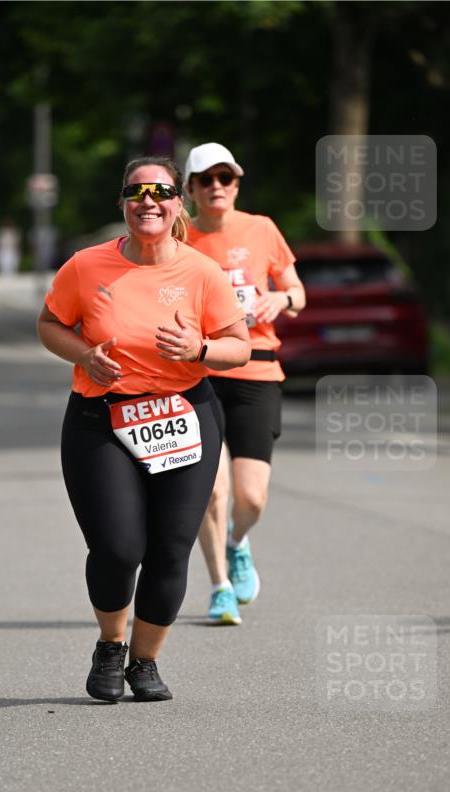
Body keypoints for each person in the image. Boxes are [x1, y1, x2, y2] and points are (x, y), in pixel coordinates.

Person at [37, 156, 250, 703]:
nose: (148, 201)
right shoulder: (85, 266)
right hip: (101, 419)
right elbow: (50, 324)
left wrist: (199, 349)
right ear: (123, 203)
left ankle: (145, 661)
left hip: (183, 416)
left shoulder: (201, 272)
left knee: (170, 550)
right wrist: (85, 354)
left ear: (179, 202)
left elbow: (239, 346)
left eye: (160, 191)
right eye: (136, 192)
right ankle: (111, 644)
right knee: (116, 548)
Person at [184, 142, 306, 625]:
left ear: (236, 184)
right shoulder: (179, 239)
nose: (217, 187)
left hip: (257, 371)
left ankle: (237, 544)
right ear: (190, 189)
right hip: (199, 375)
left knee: (251, 497)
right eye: (206, 179)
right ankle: (220, 588)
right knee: (210, 492)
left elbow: (296, 290)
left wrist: (282, 299)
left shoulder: (261, 229)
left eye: (226, 178)